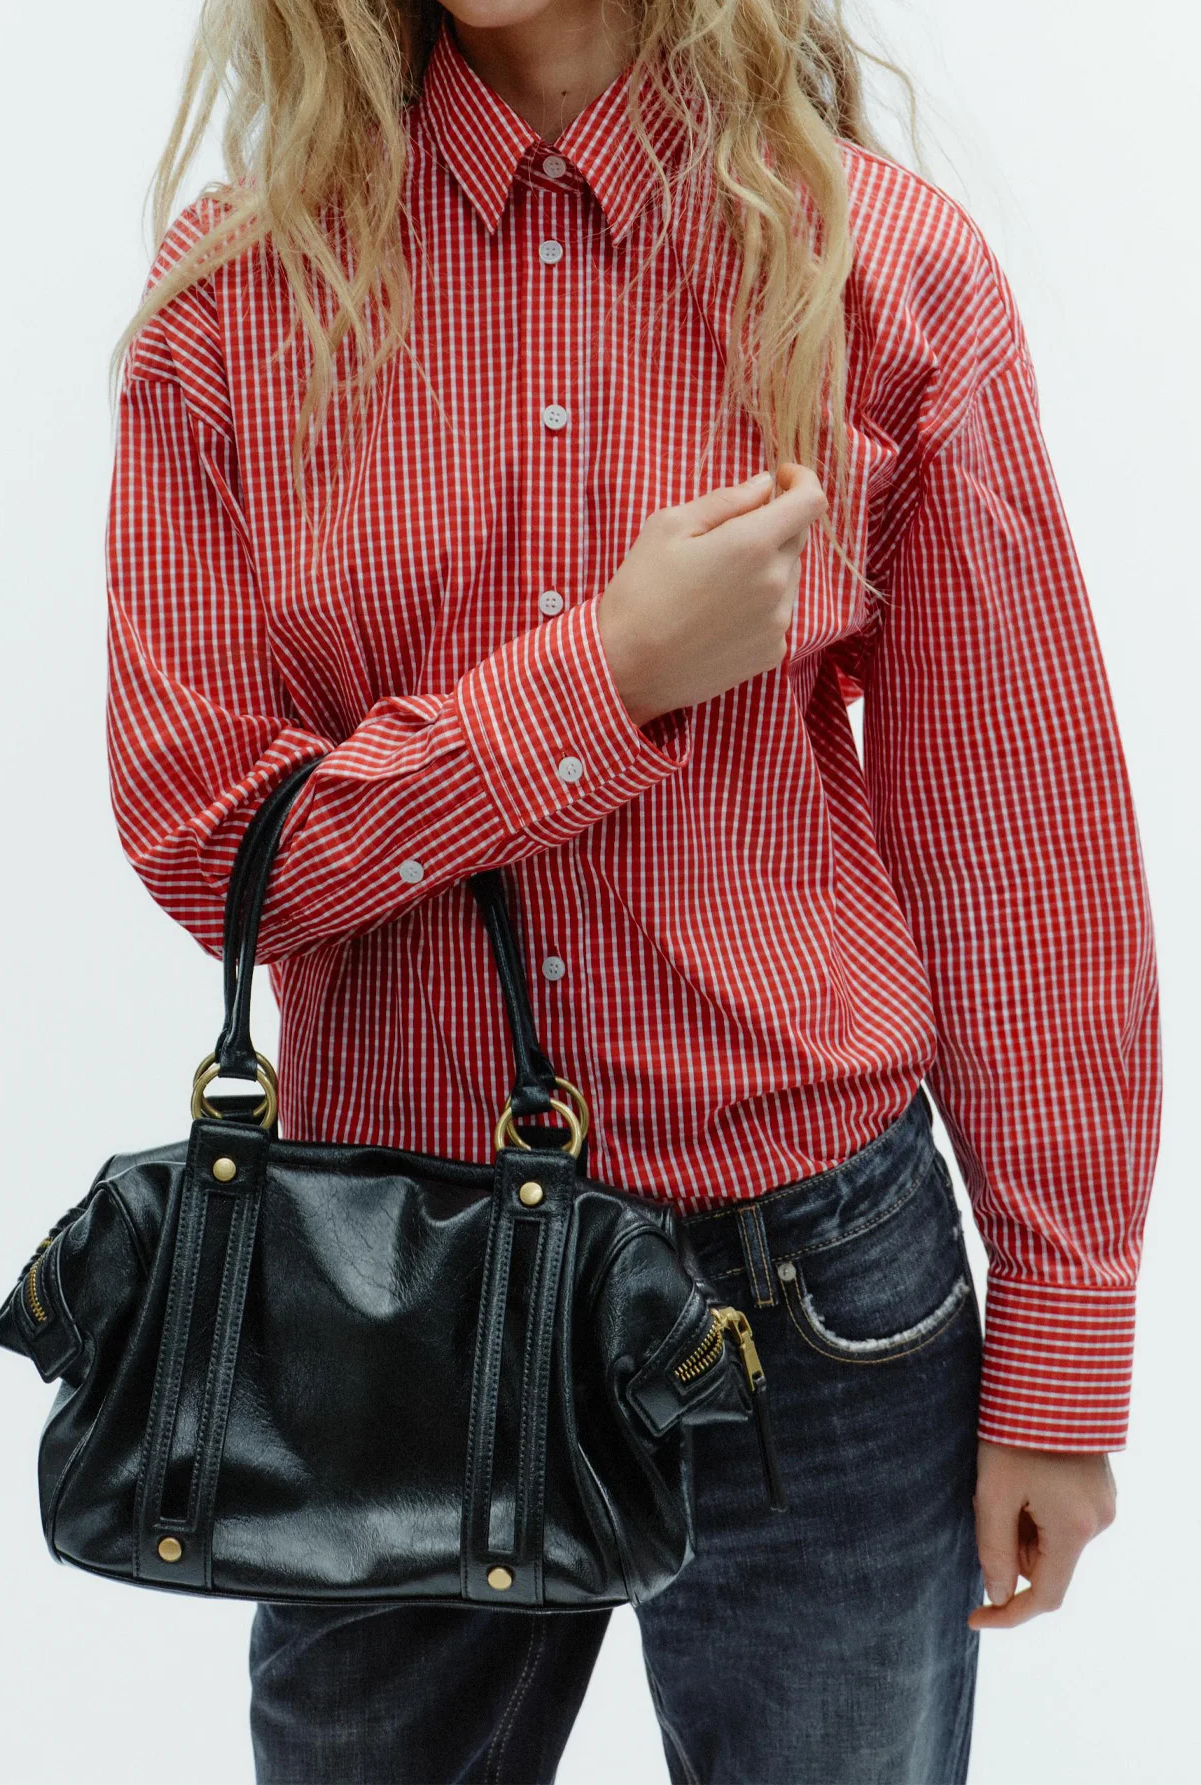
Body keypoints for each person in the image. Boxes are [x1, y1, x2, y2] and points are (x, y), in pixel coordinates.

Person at [102, 2, 1161, 1780]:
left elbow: (1016, 837)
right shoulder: (235, 299)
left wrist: (1064, 1341)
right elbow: (215, 845)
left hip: (818, 1300)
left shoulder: (882, 267)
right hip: (395, 1299)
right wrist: (605, 677)